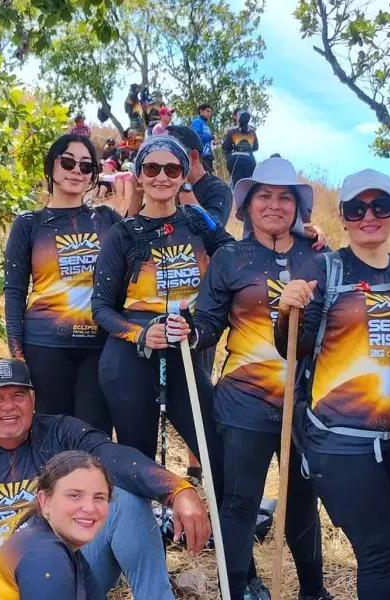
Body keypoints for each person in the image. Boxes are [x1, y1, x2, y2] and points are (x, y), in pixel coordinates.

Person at [0, 358, 211, 600]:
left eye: (18, 395)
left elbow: (113, 456)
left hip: (70, 569)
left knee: (125, 495)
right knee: (37, 550)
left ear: (32, 400)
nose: (9, 406)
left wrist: (176, 489)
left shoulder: (60, 433)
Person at [169, 155, 332, 600]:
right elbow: (208, 326)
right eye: (264, 196)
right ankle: (236, 591)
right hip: (244, 402)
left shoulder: (322, 259)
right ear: (247, 205)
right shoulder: (229, 258)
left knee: (302, 503)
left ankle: (313, 591)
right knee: (239, 503)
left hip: (307, 403)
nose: (274, 205)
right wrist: (190, 329)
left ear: (298, 207)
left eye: (284, 197)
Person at [275, 169, 390, 600]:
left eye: (380, 206)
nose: (369, 216)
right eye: (356, 208)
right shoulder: (326, 269)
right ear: (342, 216)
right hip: (341, 441)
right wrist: (287, 313)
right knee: (379, 552)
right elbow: (294, 348)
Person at [91, 135, 234, 504]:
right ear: (138, 175)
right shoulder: (122, 233)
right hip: (131, 355)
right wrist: (139, 335)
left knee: (214, 447)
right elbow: (101, 308)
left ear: (183, 174)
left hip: (185, 346)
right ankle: (137, 547)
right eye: (151, 168)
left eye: (171, 169)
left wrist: (301, 232)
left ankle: (228, 549)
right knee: (138, 459)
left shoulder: (198, 221)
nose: (161, 177)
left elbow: (239, 256)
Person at [4, 134, 120, 434]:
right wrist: (17, 354)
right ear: (51, 167)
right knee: (50, 435)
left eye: (86, 167)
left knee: (93, 436)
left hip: (99, 345)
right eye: (68, 162)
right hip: (44, 344)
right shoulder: (29, 224)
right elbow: (15, 291)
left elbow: (137, 259)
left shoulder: (107, 218)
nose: (76, 172)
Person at [0, 450, 111, 600]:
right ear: (45, 501)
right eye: (74, 496)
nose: (89, 508)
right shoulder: (46, 555)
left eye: (99, 497)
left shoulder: (46, 537)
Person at [222, 111, 259, 186]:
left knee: (236, 184)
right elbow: (256, 147)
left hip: (234, 159)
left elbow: (225, 147)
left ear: (238, 120)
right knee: (247, 184)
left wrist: (230, 154)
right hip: (249, 160)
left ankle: (234, 196)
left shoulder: (232, 131)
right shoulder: (252, 132)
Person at [191, 103, 216, 174]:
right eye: (207, 111)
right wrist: (211, 137)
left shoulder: (206, 124)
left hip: (208, 155)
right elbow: (195, 136)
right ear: (201, 111)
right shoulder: (197, 122)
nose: (209, 114)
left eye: (210, 112)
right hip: (201, 156)